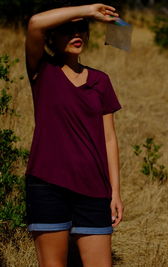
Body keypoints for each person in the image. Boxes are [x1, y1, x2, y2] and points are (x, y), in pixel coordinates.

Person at [24, 3, 124, 266]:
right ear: (51, 38)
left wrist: (115, 191)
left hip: (94, 188)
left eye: (81, 30)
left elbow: (110, 139)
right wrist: (90, 10)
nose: (76, 35)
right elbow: (35, 23)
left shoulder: (100, 81)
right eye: (66, 31)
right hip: (48, 185)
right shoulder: (42, 71)